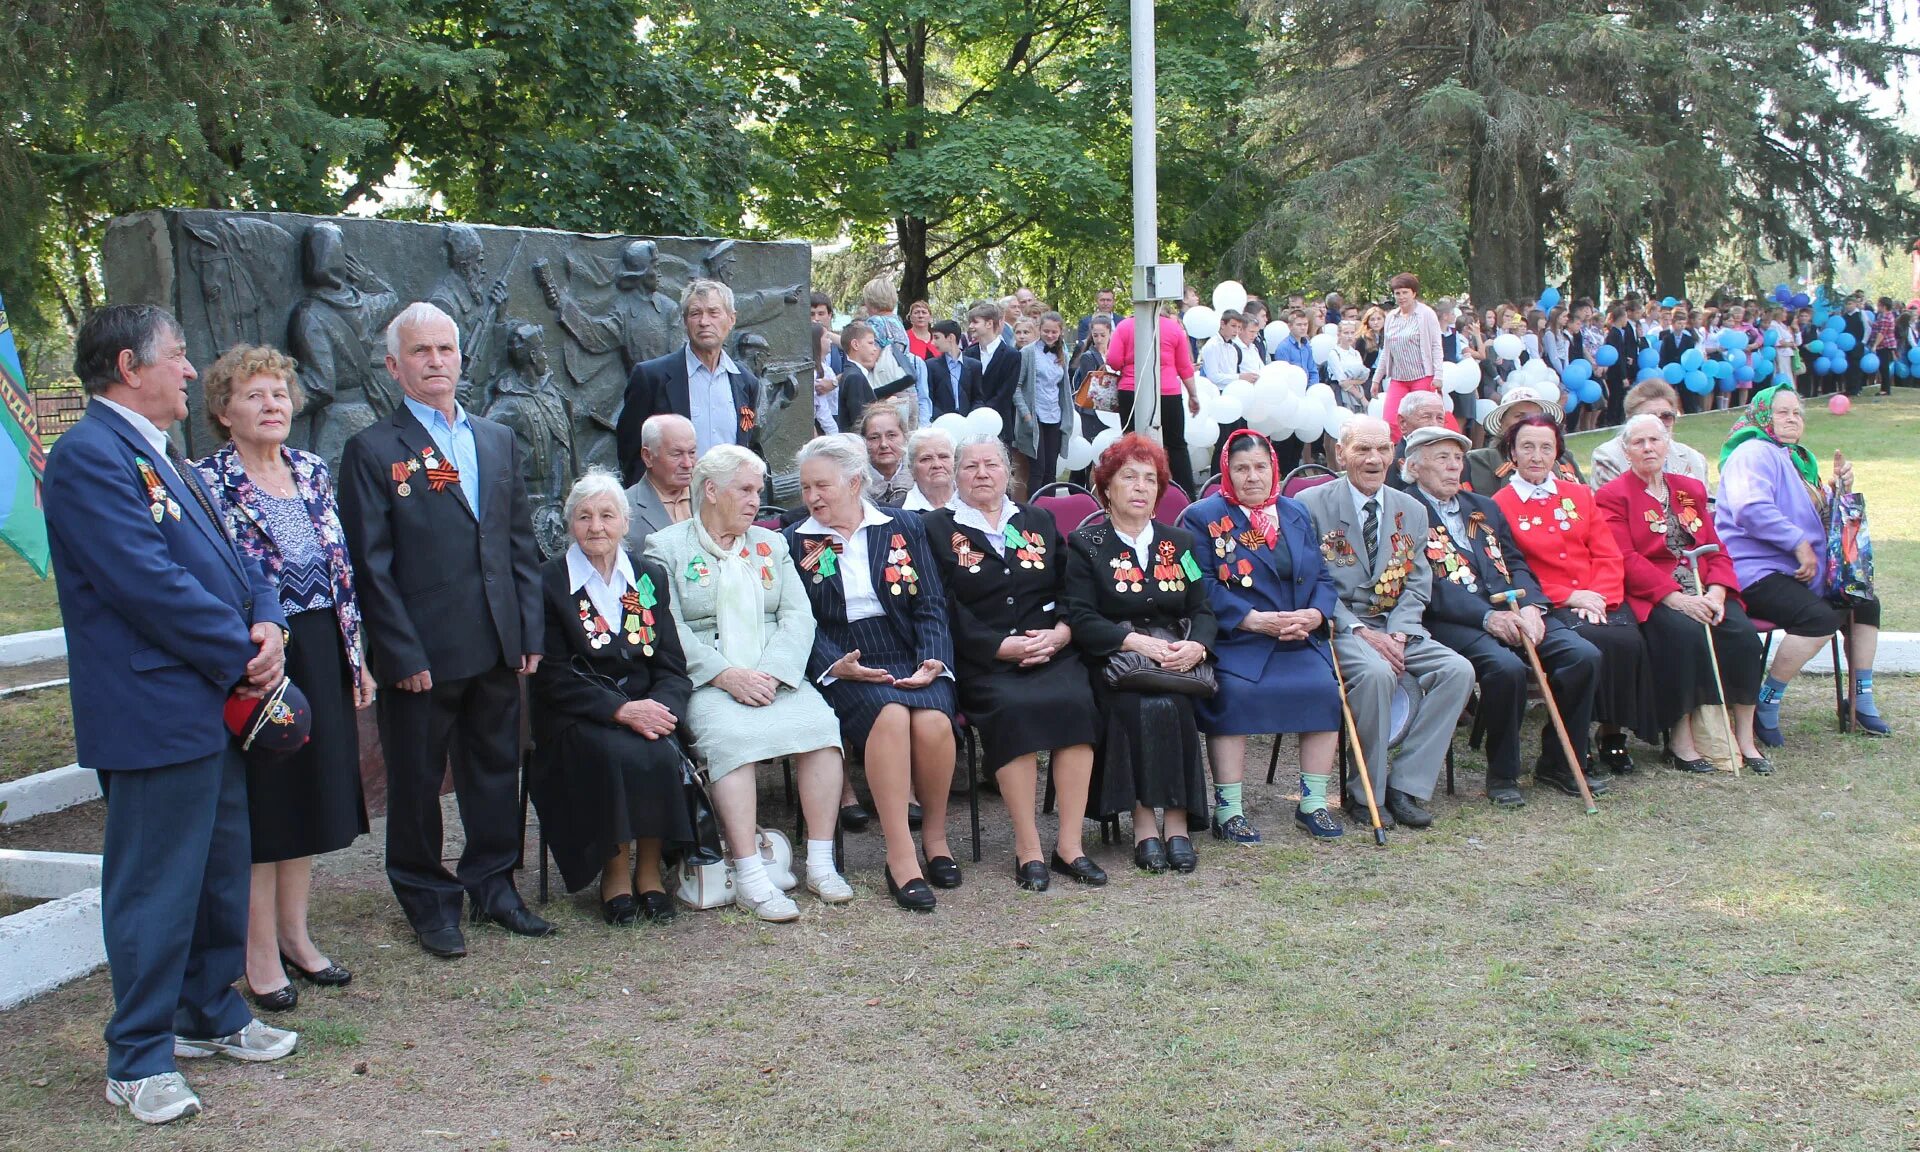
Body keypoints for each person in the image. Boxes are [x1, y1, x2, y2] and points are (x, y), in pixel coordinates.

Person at [47, 306, 296, 1123]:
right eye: (179, 357)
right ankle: (139, 1056)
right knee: (155, 887)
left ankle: (207, 1012)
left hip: (206, 706)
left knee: (219, 872)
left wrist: (267, 618)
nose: (192, 371)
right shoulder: (89, 458)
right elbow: (145, 584)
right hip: (152, 711)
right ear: (129, 366)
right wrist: (241, 652)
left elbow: (235, 552)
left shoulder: (169, 457)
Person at [338, 302, 550, 957]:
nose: (436, 362)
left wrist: (528, 632)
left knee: (492, 772)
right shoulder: (372, 451)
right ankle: (429, 902)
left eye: (446, 350)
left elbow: (517, 544)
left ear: (462, 357)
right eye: (422, 352)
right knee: (417, 781)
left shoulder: (495, 440)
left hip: (493, 644)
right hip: (422, 653)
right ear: (394, 366)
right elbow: (370, 566)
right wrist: (399, 651)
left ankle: (492, 886)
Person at [194, 346, 370, 1012]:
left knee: (311, 797)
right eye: (254, 395)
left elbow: (341, 572)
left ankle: (297, 937)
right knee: (265, 809)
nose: (272, 405)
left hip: (321, 647)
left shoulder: (312, 470)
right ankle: (258, 955)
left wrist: (358, 659)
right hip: (258, 656)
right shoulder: (206, 480)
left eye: (279, 393)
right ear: (222, 411)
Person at [645, 446, 853, 921]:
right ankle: (751, 877)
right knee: (733, 741)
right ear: (712, 491)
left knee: (822, 729)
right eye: (745, 488)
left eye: (758, 489)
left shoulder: (770, 543)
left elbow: (797, 615)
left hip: (774, 675)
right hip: (709, 681)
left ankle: (820, 863)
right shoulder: (666, 549)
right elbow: (669, 627)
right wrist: (726, 675)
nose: (756, 498)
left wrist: (775, 672)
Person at [785, 435, 960, 911]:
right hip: (844, 656)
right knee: (889, 718)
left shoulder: (903, 526)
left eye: (822, 485)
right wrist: (832, 666)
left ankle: (936, 839)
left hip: (906, 646)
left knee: (933, 723)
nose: (813, 497)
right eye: (805, 488)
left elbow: (931, 603)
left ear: (855, 482)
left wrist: (933, 659)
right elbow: (799, 619)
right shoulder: (794, 540)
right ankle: (900, 855)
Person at [924, 436, 1105, 889]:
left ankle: (1069, 847)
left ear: (1009, 472)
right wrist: (997, 647)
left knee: (1077, 703)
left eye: (991, 465)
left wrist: (1063, 632)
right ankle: (1028, 850)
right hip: (986, 662)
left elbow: (1072, 589)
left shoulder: (1038, 520)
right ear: (955, 475)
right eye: (970, 466)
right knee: (1013, 711)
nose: (982, 473)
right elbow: (939, 605)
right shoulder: (934, 529)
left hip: (1051, 650)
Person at [1400, 425, 1604, 805]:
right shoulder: (1406, 510)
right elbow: (1425, 585)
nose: (1453, 467)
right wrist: (1486, 619)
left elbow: (1515, 561)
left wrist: (1533, 606)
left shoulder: (1482, 506)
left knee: (1583, 656)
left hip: (1512, 606)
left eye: (1458, 458)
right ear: (1414, 466)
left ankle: (1560, 761)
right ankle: (1503, 773)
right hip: (1452, 619)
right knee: (1505, 668)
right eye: (1441, 458)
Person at [529, 470, 696, 924]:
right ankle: (615, 870)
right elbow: (552, 675)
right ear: (570, 524)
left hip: (648, 706)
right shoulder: (548, 582)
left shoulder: (648, 577)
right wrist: (620, 711)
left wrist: (662, 712)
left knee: (660, 753)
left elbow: (670, 665)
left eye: (607, 515)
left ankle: (649, 870)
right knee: (611, 753)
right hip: (578, 712)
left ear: (625, 523)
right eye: (584, 517)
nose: (596, 527)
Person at [1296, 417, 1474, 828]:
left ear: (1394, 454)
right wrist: (1361, 632)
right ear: (1340, 454)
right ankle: (1366, 793)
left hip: (1396, 625)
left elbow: (1417, 583)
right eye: (1362, 450)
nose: (1374, 459)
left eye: (1382, 449)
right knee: (1377, 674)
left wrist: (1398, 630)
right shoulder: (1310, 505)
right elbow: (1311, 583)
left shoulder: (1411, 510)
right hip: (1341, 627)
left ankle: (1407, 785)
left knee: (1457, 670)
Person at [1178, 431, 1344, 840]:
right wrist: (1252, 620)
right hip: (1239, 640)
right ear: (1226, 473)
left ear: (1274, 468)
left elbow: (1322, 576)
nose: (1252, 477)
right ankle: (1229, 811)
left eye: (1260, 467)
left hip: (1296, 636)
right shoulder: (1201, 517)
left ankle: (1313, 803)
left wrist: (1315, 613)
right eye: (1241, 469)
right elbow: (1198, 584)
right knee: (1234, 695)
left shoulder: (1295, 513)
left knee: (1324, 689)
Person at [1062, 433, 1217, 872]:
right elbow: (1080, 616)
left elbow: (1201, 608)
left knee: (1175, 702)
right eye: (1129, 477)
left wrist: (1197, 645)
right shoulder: (1085, 545)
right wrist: (1131, 640)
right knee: (1137, 704)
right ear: (1106, 487)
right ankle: (1145, 823)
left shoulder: (1179, 544)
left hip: (1175, 656)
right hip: (1116, 659)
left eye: (1150, 479)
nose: (1140, 487)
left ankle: (1179, 825)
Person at [1598, 414, 1769, 774]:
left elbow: (1716, 547)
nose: (1648, 448)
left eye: (1655, 440)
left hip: (1705, 588)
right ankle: (1680, 739)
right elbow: (1624, 558)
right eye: (1638, 443)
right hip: (1656, 595)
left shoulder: (1688, 488)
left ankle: (1744, 738)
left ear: (1667, 445)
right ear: (1626, 452)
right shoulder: (1613, 496)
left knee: (1743, 637)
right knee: (1685, 635)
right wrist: (1676, 598)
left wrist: (1719, 592)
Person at [1716, 386, 1889, 741]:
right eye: (1782, 412)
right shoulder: (1752, 452)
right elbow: (1752, 509)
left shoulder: (1795, 459)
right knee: (1818, 618)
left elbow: (1821, 518)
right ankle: (1767, 700)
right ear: (1763, 415)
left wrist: (1840, 489)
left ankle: (1860, 698)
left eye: (1797, 412)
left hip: (1798, 570)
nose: (1792, 419)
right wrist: (1799, 544)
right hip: (1755, 570)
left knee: (1865, 602)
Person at [1494, 416, 1657, 782]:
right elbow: (1511, 569)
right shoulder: (1499, 504)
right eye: (1527, 447)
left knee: (1628, 640)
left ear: (1558, 453)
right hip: (1550, 605)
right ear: (1512, 453)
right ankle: (1574, 740)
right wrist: (1569, 597)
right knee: (1590, 645)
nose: (1537, 456)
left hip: (1598, 596)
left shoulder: (1579, 495)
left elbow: (1607, 553)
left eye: (1546, 448)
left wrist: (1598, 597)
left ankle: (1612, 732)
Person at [614, 279, 762, 485]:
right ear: (685, 321)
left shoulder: (746, 383)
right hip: (671, 505)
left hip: (726, 504)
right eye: (695, 313)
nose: (704, 321)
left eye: (713, 312)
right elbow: (631, 451)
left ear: (731, 319)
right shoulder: (651, 378)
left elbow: (748, 444)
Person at [1106, 306, 1203, 495]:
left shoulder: (1124, 327)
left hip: (1132, 390)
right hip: (1168, 392)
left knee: (1132, 444)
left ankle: (1130, 491)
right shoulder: (1174, 328)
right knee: (1176, 446)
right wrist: (1193, 395)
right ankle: (1186, 495)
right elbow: (1184, 366)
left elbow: (1113, 360)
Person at [1465, 384, 1585, 495]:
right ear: (1501, 423)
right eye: (1519, 416)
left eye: (1535, 416)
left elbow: (1586, 496)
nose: (1527, 422)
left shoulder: (1564, 458)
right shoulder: (1482, 460)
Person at [1587, 380, 1708, 486]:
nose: (1658, 424)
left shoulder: (1695, 459)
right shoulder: (1609, 457)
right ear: (1630, 420)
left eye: (1666, 416)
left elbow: (1708, 508)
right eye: (1650, 417)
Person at [1371, 274, 1448, 441]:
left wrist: (1438, 375)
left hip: (1422, 376)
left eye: (1405, 292)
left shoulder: (1426, 314)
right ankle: (1395, 461)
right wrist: (1377, 379)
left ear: (1413, 293)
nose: (1401, 297)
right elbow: (1386, 350)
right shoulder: (1391, 317)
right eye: (1397, 293)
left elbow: (1436, 346)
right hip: (1399, 378)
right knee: (1391, 421)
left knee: (1420, 421)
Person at [1014, 310, 1074, 494]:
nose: (1050, 335)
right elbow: (1016, 387)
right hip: (1035, 416)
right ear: (1039, 329)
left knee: (1051, 470)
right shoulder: (1028, 353)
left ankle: (1049, 510)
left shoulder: (1061, 354)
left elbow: (1064, 389)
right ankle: (1034, 511)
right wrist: (1026, 414)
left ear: (1060, 332)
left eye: (1054, 332)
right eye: (1046, 331)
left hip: (1054, 415)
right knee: (1037, 470)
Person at [623, 413, 697, 553]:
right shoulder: (624, 508)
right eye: (676, 454)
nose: (688, 464)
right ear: (648, 456)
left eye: (692, 453)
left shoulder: (711, 497)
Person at [966, 301, 1021, 437]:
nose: (971, 326)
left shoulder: (1011, 355)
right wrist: (976, 412)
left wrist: (985, 412)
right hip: (972, 422)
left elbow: (1006, 392)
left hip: (1000, 423)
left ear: (989, 324)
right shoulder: (968, 353)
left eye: (975, 322)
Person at [1386, 390, 1449, 491]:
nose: (1434, 424)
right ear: (1403, 423)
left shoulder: (1457, 459)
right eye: (1426, 417)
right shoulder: (1388, 462)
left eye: (1440, 418)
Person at [925, 319, 980, 419]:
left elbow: (978, 398)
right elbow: (929, 398)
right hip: (941, 422)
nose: (933, 343)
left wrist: (971, 418)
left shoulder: (974, 365)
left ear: (950, 337)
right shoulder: (931, 365)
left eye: (936, 337)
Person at [861, 403, 914, 505]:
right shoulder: (856, 482)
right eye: (874, 437)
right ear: (864, 441)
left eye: (891, 435)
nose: (883, 444)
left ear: (905, 437)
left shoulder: (918, 475)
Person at [901, 426, 958, 512]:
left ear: (956, 462)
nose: (937, 465)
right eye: (926, 459)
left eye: (943, 456)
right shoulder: (897, 513)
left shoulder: (978, 504)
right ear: (911, 468)